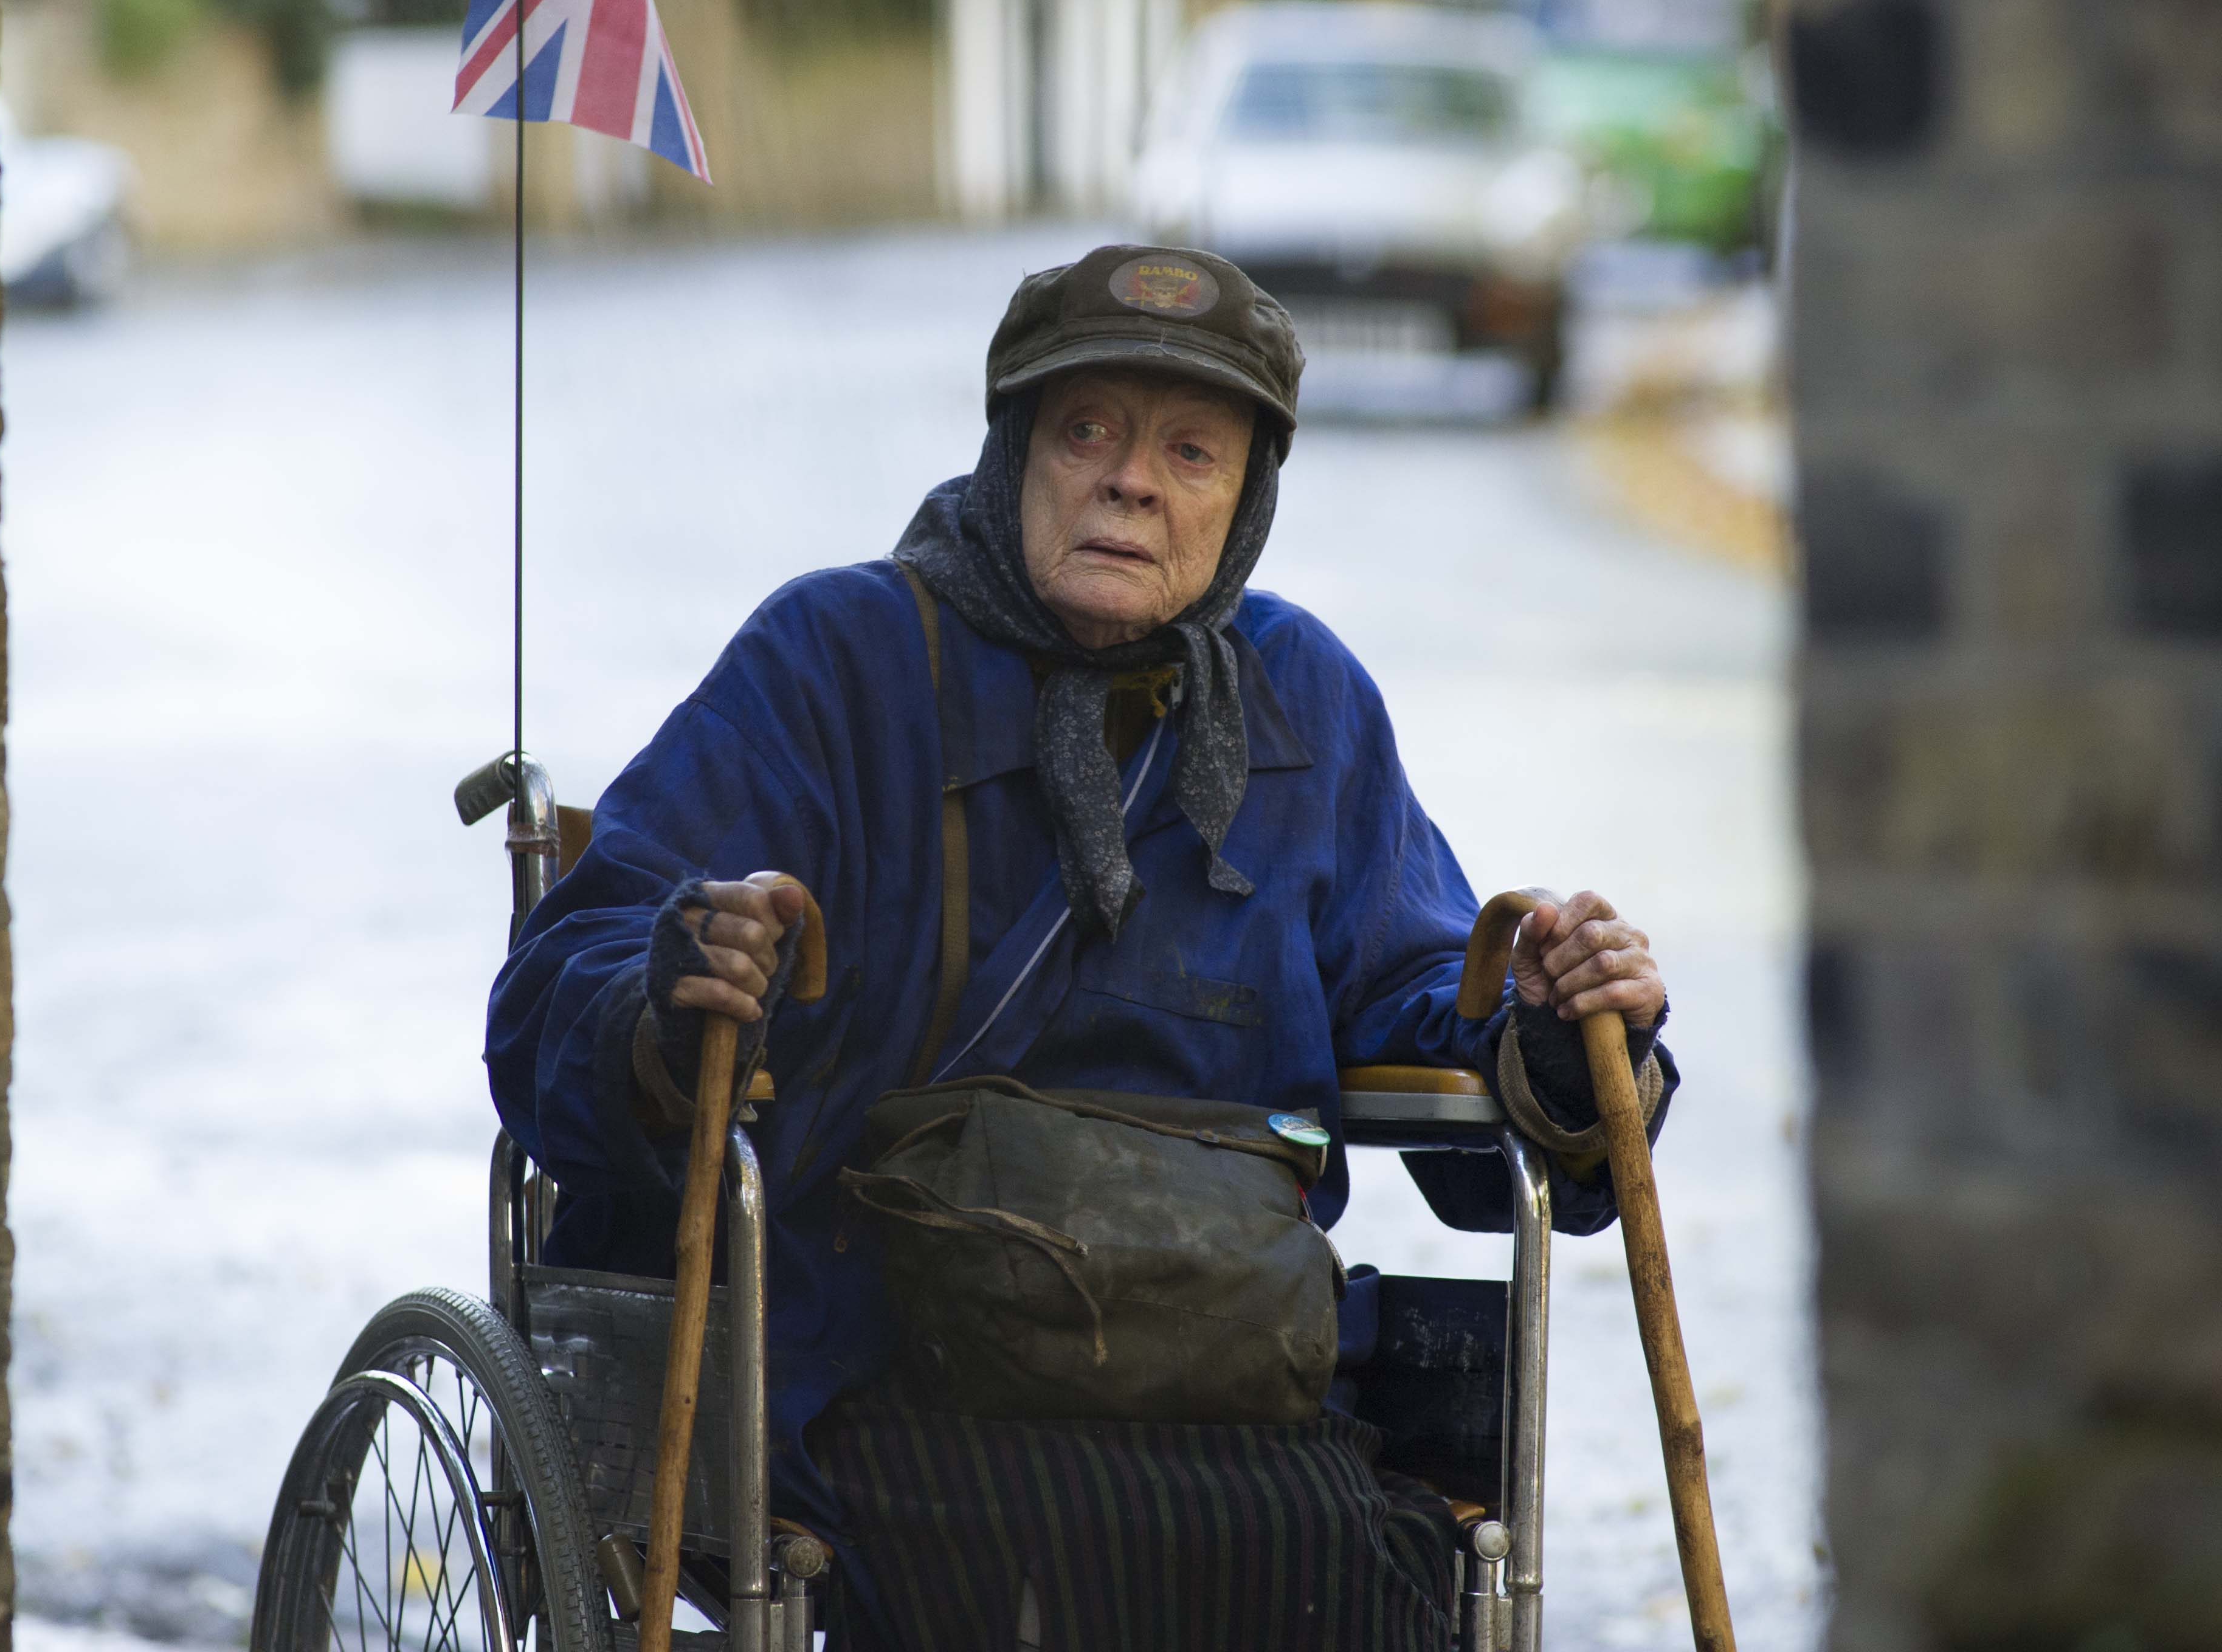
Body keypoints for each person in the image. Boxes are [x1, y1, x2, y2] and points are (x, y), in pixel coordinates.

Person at [486, 243, 1677, 1651]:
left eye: (1191, 450)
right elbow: (571, 976)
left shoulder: (1306, 700)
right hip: (874, 1353)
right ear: (1014, 454)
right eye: (1089, 433)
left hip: (1220, 1373)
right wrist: (675, 998)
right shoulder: (838, 659)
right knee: (1008, 1554)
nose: (1133, 482)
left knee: (1345, 1561)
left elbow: (1419, 989)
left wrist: (1547, 1025)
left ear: (1245, 502)